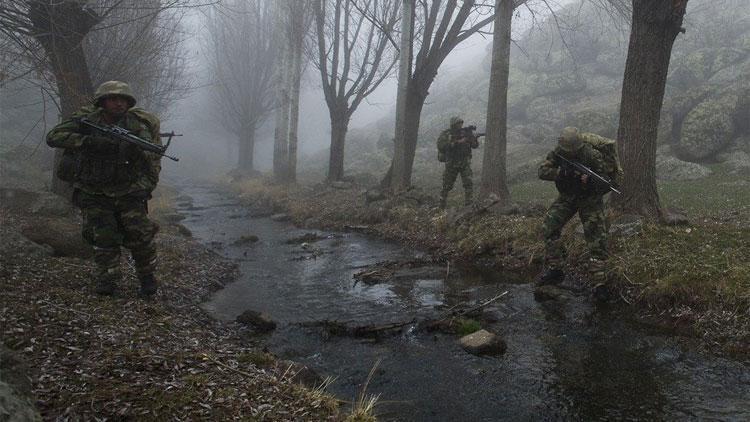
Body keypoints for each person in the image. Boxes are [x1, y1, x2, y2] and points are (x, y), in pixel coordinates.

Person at [46, 81, 163, 297]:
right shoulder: (87, 121)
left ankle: (147, 279)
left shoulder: (136, 126)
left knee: (141, 237)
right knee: (103, 239)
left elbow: (151, 161)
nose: (119, 103)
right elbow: (53, 137)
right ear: (102, 101)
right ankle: (107, 281)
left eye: (123, 100)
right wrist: (89, 142)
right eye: (113, 99)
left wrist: (144, 187)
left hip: (129, 191)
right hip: (94, 191)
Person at [537, 127, 622, 298]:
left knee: (597, 239)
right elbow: (542, 171)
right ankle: (556, 269)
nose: (569, 153)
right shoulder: (558, 151)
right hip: (567, 196)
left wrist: (589, 181)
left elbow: (606, 183)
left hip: (589, 199)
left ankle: (600, 284)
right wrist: (561, 173)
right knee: (549, 227)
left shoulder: (592, 155)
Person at [437, 116, 479, 208]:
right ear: (453, 125)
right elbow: (441, 146)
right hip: (452, 163)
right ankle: (441, 205)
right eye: (458, 123)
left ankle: (469, 205)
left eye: (461, 123)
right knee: (447, 185)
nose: (460, 125)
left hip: (465, 162)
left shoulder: (466, 132)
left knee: (468, 183)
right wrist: (458, 142)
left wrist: (474, 139)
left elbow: (475, 146)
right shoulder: (446, 134)